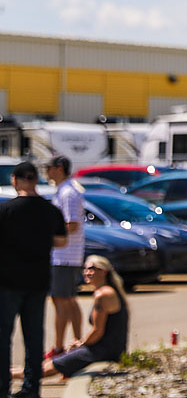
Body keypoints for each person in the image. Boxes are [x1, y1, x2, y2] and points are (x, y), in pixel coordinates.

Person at [0, 161, 67, 398]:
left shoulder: (6, 210)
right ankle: (31, 388)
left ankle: (3, 388)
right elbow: (62, 241)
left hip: (7, 282)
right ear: (36, 179)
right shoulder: (50, 211)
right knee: (34, 337)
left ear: (15, 180)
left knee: (3, 338)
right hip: (38, 281)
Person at [11, 255, 129, 383]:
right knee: (46, 364)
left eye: (92, 269)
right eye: (85, 269)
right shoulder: (109, 291)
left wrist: (81, 344)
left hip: (102, 352)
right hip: (107, 349)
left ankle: (6, 374)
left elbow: (97, 331)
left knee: (43, 370)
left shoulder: (103, 294)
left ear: (104, 271)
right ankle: (7, 371)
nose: (87, 272)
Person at [45, 155, 86, 360]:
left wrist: (47, 235)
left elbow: (72, 224)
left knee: (62, 301)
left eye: (48, 167)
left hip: (65, 255)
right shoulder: (65, 190)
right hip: (65, 255)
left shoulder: (68, 193)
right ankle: (75, 345)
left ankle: (61, 348)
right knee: (66, 300)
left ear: (59, 168)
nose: (46, 172)